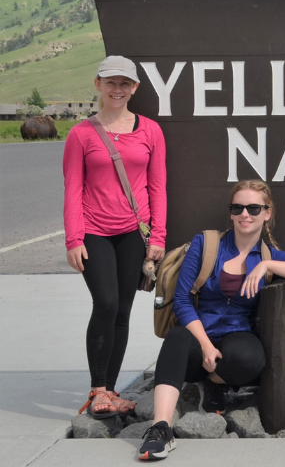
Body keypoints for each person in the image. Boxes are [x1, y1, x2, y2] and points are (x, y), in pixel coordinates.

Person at [136, 180, 285, 461]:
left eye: (253, 207)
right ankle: (161, 428)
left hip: (236, 336)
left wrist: (266, 265)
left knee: (251, 357)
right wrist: (206, 345)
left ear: (267, 213)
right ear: (231, 212)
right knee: (176, 340)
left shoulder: (268, 255)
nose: (245, 214)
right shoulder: (206, 244)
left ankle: (214, 382)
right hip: (196, 334)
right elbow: (183, 301)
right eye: (238, 207)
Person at [63, 56, 167, 420]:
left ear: (135, 88)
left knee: (122, 310)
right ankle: (97, 389)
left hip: (134, 233)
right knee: (105, 303)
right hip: (94, 231)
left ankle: (109, 391)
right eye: (111, 82)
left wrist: (158, 235)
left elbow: (158, 186)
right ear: (98, 85)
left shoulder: (150, 130)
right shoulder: (80, 134)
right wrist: (73, 239)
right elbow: (73, 190)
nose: (117, 89)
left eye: (125, 83)